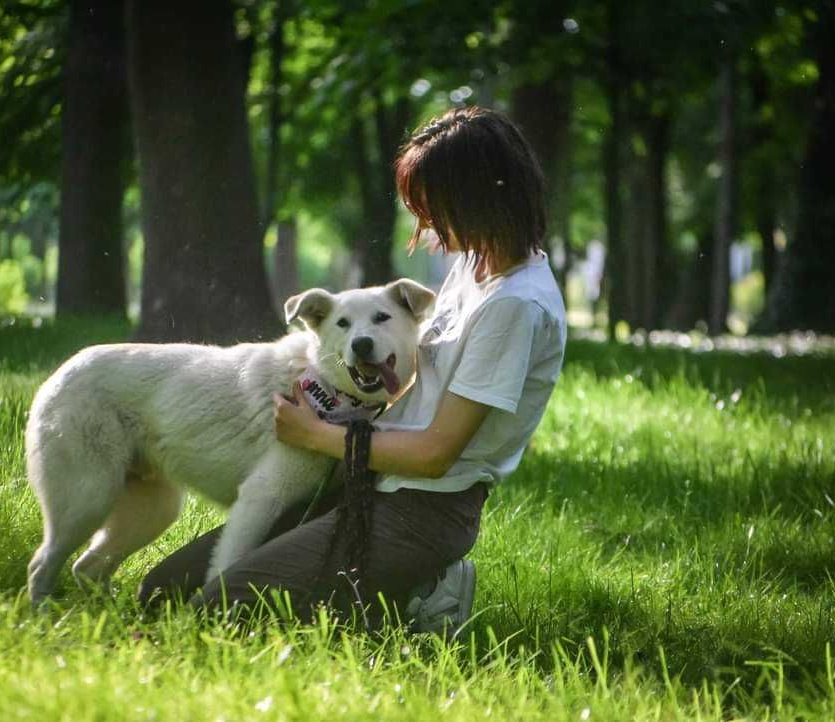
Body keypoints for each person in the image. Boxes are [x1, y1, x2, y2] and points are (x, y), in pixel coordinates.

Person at [138, 106, 567, 633]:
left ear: (478, 195)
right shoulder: (474, 268)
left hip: (425, 511)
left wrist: (317, 435)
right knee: (161, 592)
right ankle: (396, 584)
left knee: (222, 610)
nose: (423, 223)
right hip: (366, 480)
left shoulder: (515, 306)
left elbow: (435, 455)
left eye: (431, 206)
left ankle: (425, 588)